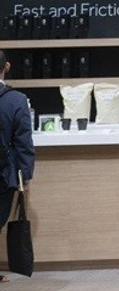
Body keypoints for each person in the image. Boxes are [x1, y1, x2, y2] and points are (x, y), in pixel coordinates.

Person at [0, 51, 33, 283]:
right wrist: (25, 175)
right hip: (3, 174)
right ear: (7, 66)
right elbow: (23, 142)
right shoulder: (16, 100)